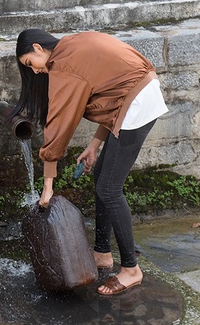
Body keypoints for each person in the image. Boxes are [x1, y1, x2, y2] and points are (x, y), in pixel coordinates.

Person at [10, 29, 168, 296]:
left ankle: (131, 269)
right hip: (136, 95)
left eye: (30, 64)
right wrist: (94, 145)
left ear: (38, 48)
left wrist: (48, 186)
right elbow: (113, 91)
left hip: (138, 103)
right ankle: (103, 253)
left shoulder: (64, 66)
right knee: (101, 179)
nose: (35, 71)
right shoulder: (73, 44)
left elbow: (58, 127)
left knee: (109, 189)